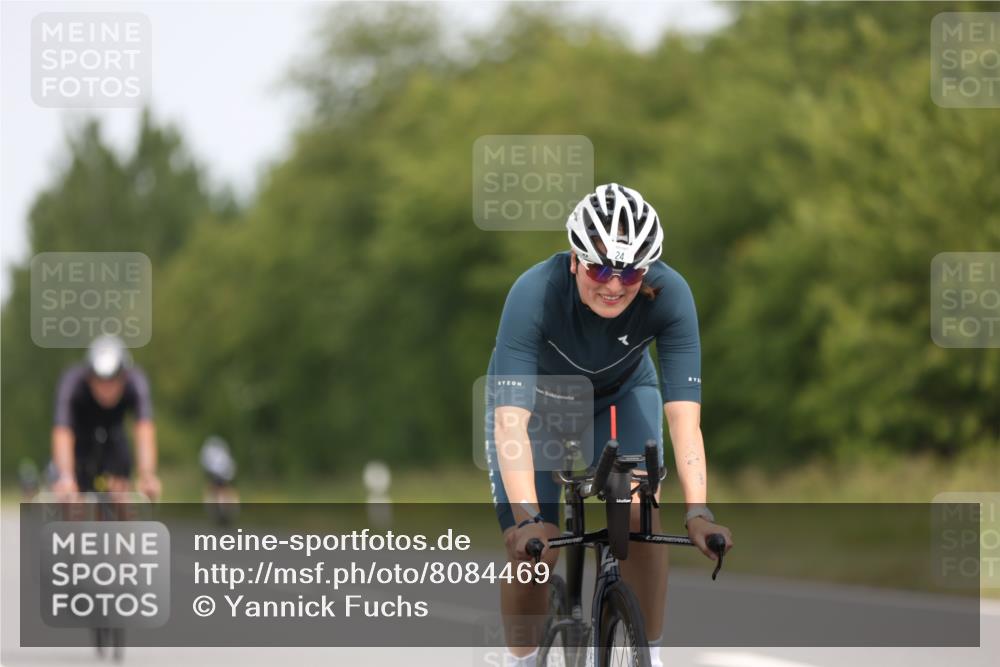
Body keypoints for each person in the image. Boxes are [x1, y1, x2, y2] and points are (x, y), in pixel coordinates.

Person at [485, 183, 734, 667]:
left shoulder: (672, 294)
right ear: (576, 259)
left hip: (619, 396)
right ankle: (519, 659)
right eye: (600, 268)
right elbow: (510, 425)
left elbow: (685, 421)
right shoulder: (533, 293)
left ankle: (648, 655)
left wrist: (699, 511)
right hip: (536, 408)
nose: (614, 285)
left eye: (631, 272)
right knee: (540, 549)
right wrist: (528, 521)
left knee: (641, 510)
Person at [50, 334, 161, 500]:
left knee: (121, 496)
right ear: (89, 377)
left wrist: (147, 475)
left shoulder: (136, 382)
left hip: (114, 444)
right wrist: (66, 476)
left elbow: (144, 429)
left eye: (113, 380)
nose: (106, 387)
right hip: (78, 446)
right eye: (99, 380)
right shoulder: (72, 383)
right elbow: (62, 431)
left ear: (124, 376)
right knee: (68, 497)